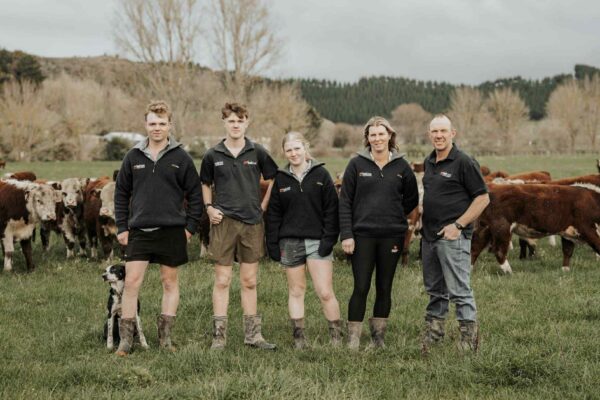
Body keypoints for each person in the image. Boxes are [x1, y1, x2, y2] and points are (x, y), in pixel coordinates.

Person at [114, 100, 203, 356]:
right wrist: (122, 226)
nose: (157, 128)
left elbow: (195, 195)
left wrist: (189, 229)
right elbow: (121, 193)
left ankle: (165, 338)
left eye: (162, 124)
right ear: (145, 125)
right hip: (139, 230)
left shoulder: (181, 157)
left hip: (172, 230)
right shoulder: (133, 156)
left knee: (169, 282)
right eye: (152, 123)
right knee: (131, 282)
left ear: (169, 125)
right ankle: (126, 340)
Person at [200, 102, 278, 350]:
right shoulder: (213, 154)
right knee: (222, 280)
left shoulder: (258, 152)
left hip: (251, 222)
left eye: (240, 120)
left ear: (247, 123)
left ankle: (253, 336)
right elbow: (204, 183)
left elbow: (274, 178)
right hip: (223, 222)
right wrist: (209, 207)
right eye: (231, 121)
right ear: (224, 123)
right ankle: (219, 337)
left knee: (249, 281)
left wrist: (263, 205)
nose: (235, 125)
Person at [339, 116, 419, 350]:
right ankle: (353, 339)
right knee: (361, 286)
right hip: (362, 235)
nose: (377, 139)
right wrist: (347, 234)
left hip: (391, 236)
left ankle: (378, 339)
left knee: (385, 287)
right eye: (372, 135)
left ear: (390, 136)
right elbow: (345, 202)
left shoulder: (402, 166)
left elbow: (411, 199)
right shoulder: (356, 165)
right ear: (367, 139)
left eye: (381, 134)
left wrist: (393, 215)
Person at [420, 114, 490, 354]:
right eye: (434, 132)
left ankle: (469, 340)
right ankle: (434, 334)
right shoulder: (429, 162)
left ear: (453, 133)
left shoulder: (463, 162)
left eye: (443, 131)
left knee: (460, 289)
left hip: (452, 237)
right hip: (429, 237)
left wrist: (458, 225)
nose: (438, 136)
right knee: (435, 289)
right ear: (429, 135)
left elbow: (482, 198)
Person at [265, 131, 342, 349]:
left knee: (325, 292)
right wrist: (272, 243)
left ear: (305, 149)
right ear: (284, 152)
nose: (293, 153)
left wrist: (329, 239)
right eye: (288, 150)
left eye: (297, 148)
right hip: (290, 243)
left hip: (318, 242)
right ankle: (299, 339)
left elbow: (331, 210)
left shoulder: (321, 175)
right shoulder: (280, 179)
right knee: (296, 291)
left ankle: (336, 338)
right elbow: (273, 215)